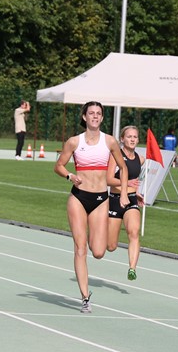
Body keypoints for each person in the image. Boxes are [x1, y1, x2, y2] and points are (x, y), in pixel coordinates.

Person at [53, 101, 129, 313]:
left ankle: (94, 240)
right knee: (80, 248)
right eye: (91, 113)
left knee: (98, 251)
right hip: (78, 198)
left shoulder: (110, 141)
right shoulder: (74, 142)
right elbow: (58, 166)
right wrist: (70, 175)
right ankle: (85, 297)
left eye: (98, 113)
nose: (95, 116)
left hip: (100, 199)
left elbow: (123, 168)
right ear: (84, 117)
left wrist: (123, 193)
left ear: (102, 118)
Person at [107, 125, 144, 281]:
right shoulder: (115, 156)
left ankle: (132, 268)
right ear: (122, 139)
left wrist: (136, 193)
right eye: (129, 137)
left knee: (134, 232)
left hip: (131, 201)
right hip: (115, 201)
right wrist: (126, 183)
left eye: (135, 137)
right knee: (111, 246)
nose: (132, 139)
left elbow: (135, 181)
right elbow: (108, 179)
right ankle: (96, 231)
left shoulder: (140, 159)